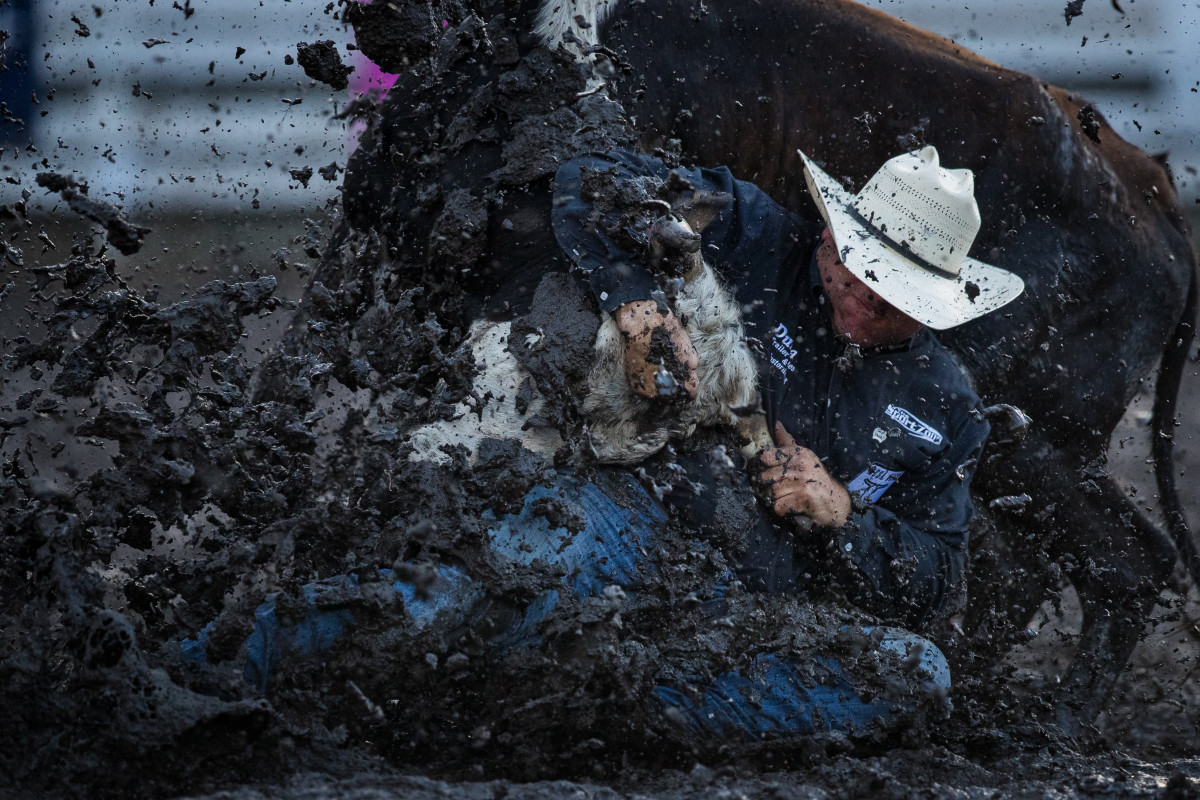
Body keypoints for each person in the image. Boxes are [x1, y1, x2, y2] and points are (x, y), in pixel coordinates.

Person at [183, 145, 1023, 742]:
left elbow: (934, 583)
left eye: (893, 299)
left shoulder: (945, 404)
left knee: (917, 671)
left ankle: (587, 687)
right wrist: (636, 302)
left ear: (939, 303)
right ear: (833, 237)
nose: (862, 306)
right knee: (462, 589)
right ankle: (204, 670)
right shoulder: (759, 233)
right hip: (641, 509)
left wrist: (843, 514)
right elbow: (595, 176)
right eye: (854, 274)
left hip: (759, 609)